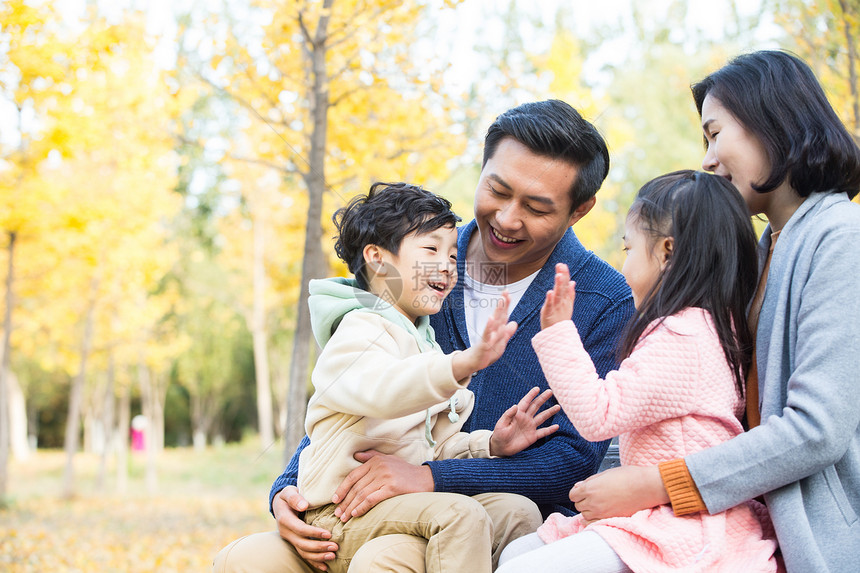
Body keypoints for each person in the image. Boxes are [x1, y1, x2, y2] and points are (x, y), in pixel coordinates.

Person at [213, 100, 634, 573]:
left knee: (389, 558)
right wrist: (288, 488)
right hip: (363, 505)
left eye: (537, 208)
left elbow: (570, 460)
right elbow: (353, 389)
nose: (508, 219)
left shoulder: (602, 298)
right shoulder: (416, 261)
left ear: (580, 210)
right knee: (249, 559)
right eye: (497, 190)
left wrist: (429, 477)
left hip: (496, 526)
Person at [567, 51, 860, 572]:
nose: (706, 159)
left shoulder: (841, 239)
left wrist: (660, 484)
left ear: (775, 122)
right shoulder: (767, 249)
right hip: (740, 526)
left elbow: (817, 428)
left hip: (820, 538)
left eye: (715, 133)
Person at [497, 170, 779, 572]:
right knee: (516, 554)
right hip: (664, 509)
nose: (623, 263)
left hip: (681, 523)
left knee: (520, 567)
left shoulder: (683, 335)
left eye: (628, 248)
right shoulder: (714, 326)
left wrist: (558, 331)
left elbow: (598, 416)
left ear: (666, 252)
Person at [292, 181, 560, 573]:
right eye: (431, 249)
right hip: (339, 510)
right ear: (377, 259)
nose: (448, 265)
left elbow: (431, 449)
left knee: (518, 511)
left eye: (453, 254)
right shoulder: (358, 330)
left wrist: (490, 446)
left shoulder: (423, 342)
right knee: (460, 513)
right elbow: (383, 389)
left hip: (398, 501)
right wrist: (462, 364)